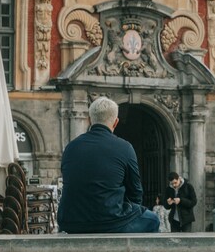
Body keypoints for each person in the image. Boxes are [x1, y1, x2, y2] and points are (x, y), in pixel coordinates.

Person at [56, 97, 160, 233]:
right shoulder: (125, 147)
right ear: (116, 122)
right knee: (153, 220)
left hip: (70, 221)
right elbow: (135, 191)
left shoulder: (71, 147)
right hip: (111, 221)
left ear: (89, 119)